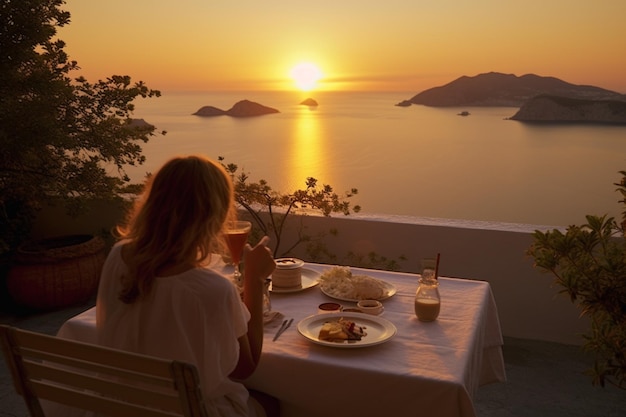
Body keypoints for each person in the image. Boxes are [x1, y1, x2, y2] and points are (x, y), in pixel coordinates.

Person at [95, 155, 278, 417]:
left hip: (123, 407)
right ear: (213, 217)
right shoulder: (211, 290)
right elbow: (245, 368)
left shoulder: (117, 256)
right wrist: (254, 279)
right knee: (275, 403)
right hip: (188, 411)